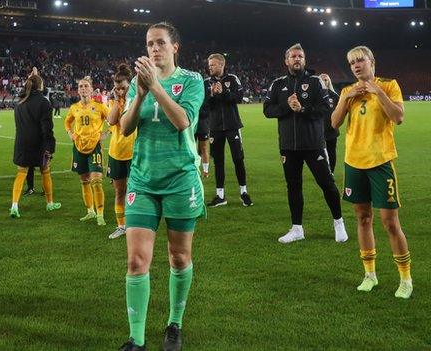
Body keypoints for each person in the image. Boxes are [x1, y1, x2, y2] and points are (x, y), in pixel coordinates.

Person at [118, 22, 205, 351]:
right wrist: (139, 93)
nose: (154, 49)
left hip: (180, 179)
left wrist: (155, 87)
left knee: (179, 258)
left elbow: (183, 120)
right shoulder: (138, 85)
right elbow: (125, 128)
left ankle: (174, 324)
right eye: (149, 44)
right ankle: (136, 339)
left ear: (174, 47)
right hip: (142, 178)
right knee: (137, 261)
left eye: (160, 43)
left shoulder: (192, 80)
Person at [331, 46, 412, 299]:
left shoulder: (389, 85)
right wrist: (346, 98)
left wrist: (377, 92)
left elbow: (398, 117)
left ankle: (405, 278)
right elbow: (334, 123)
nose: (356, 66)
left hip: (380, 162)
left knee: (390, 222)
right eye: (352, 62)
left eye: (360, 61)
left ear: (371, 62)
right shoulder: (347, 91)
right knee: (363, 219)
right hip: (354, 163)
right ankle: (370, 275)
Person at [263, 43, 347, 243]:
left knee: (327, 184)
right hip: (288, 147)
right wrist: (287, 106)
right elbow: (267, 110)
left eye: (300, 56)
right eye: (293, 56)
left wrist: (301, 109)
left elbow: (326, 108)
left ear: (304, 59)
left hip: (314, 145)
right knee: (293, 186)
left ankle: (338, 223)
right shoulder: (277, 84)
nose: (297, 59)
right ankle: (297, 228)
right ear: (286, 61)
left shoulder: (316, 82)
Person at [202, 53, 253, 207]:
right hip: (216, 128)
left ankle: (243, 192)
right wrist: (212, 94)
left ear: (222, 65)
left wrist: (223, 92)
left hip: (233, 126)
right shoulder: (206, 83)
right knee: (218, 162)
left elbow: (239, 98)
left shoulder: (232, 79)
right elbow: (204, 105)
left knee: (238, 159)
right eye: (209, 64)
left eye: (213, 64)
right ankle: (220, 196)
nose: (210, 67)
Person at [10, 74, 61, 218]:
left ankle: (14, 206)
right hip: (39, 145)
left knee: (21, 173)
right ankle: (50, 203)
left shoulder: (19, 102)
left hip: (21, 144)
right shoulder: (43, 102)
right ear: (40, 85)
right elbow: (47, 128)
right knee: (45, 170)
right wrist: (49, 147)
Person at [64, 76, 109, 226]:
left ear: (91, 89)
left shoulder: (100, 106)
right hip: (78, 146)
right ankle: (90, 211)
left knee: (96, 182)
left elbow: (114, 120)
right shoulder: (74, 108)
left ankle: (100, 214)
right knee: (84, 181)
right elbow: (67, 122)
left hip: (94, 147)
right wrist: (71, 134)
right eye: (81, 86)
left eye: (86, 86)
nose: (83, 89)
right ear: (78, 90)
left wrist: (107, 133)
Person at [106, 64, 137, 239]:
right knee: (120, 191)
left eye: (123, 88)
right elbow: (111, 121)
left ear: (130, 86)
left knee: (136, 191)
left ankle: (135, 224)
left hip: (135, 152)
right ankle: (121, 226)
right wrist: (118, 102)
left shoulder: (136, 100)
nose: (120, 91)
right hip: (117, 152)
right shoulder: (113, 101)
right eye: (117, 88)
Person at [319, 73, 340, 174]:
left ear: (329, 82)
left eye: (326, 80)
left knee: (331, 152)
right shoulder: (315, 95)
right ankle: (323, 172)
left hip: (331, 130)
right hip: (318, 130)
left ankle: (331, 172)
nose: (324, 81)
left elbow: (341, 111)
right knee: (320, 153)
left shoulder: (334, 96)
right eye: (322, 80)